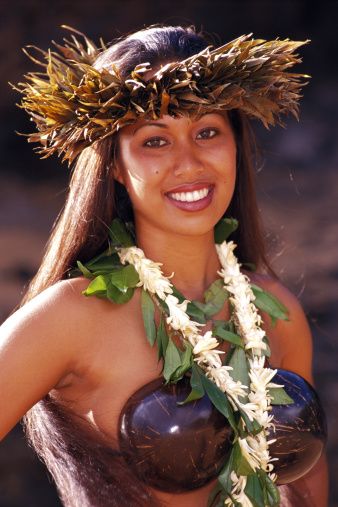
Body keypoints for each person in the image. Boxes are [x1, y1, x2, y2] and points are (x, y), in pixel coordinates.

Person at [1, 25, 328, 507]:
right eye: (155, 141)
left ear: (236, 143)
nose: (189, 162)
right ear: (113, 164)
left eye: (207, 132)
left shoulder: (276, 311)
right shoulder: (72, 316)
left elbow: (306, 491)